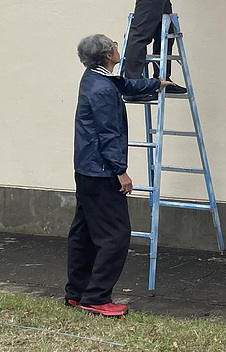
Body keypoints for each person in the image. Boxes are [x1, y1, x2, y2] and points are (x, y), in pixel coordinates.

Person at [65, 34, 172, 316]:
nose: (117, 46)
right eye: (113, 43)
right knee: (116, 235)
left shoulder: (94, 78)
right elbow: (108, 134)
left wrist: (155, 83)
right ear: (107, 55)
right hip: (102, 172)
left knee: (84, 233)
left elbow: (123, 84)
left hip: (86, 170)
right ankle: (97, 297)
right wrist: (120, 172)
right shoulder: (102, 90)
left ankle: (76, 293)